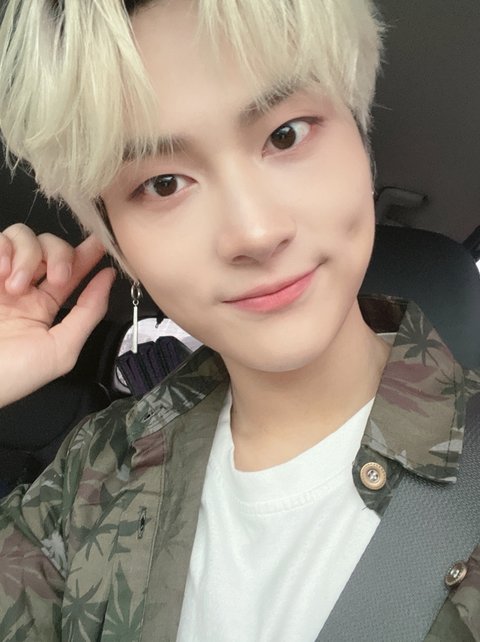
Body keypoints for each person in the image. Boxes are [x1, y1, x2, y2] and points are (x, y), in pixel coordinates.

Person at [0, 1, 478, 640]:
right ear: (121, 245)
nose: (254, 232)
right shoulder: (94, 469)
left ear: (362, 144)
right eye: (163, 183)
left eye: (286, 135)